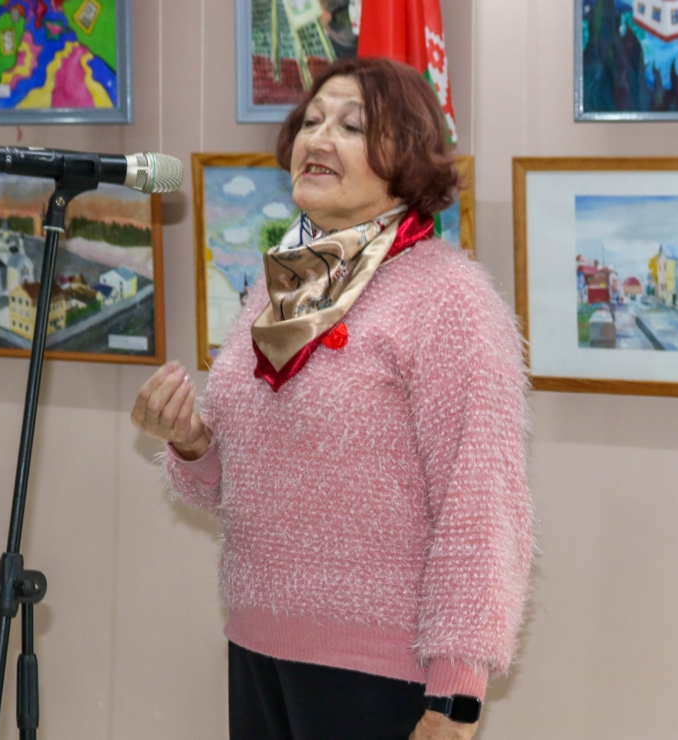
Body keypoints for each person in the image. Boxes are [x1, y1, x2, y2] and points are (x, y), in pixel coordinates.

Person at [132, 57, 532, 740]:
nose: (317, 139)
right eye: (311, 121)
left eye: (351, 126)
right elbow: (238, 483)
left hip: (383, 672)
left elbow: (481, 505)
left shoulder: (449, 297)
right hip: (257, 647)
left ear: (406, 156)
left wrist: (456, 696)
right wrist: (192, 441)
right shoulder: (281, 289)